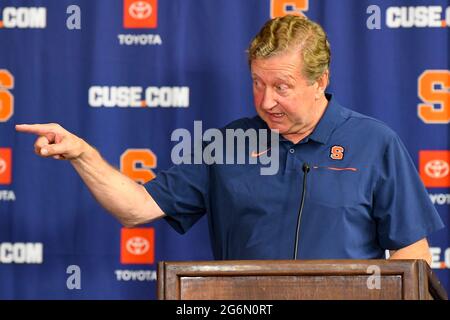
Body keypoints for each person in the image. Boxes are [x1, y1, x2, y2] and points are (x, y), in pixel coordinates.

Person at [16, 15, 443, 265]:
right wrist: (82, 155)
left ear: (321, 81)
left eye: (282, 87)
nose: (267, 101)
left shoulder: (376, 143)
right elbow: (135, 209)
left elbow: (412, 258)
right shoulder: (227, 143)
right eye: (257, 83)